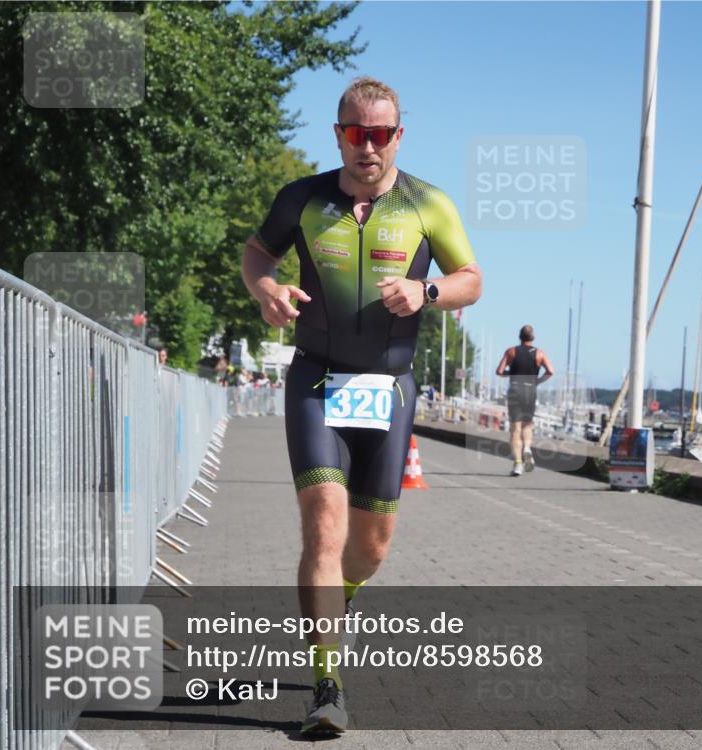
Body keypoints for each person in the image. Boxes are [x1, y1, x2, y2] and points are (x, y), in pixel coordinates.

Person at [241, 76, 481, 733]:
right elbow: (258, 251)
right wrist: (266, 290)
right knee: (325, 524)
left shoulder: (429, 204)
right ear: (339, 134)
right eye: (355, 133)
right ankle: (327, 686)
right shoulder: (304, 198)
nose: (367, 146)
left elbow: (472, 280)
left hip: (390, 390)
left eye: (380, 134)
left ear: (398, 136)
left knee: (370, 548)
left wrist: (426, 293)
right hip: (317, 381)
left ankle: (341, 597)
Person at [496, 325, 553, 476]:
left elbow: (499, 371)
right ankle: (527, 448)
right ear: (532, 337)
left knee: (515, 429)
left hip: (515, 389)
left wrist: (513, 373)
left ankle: (518, 464)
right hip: (530, 390)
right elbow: (550, 371)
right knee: (527, 425)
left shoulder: (511, 351)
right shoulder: (539, 353)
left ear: (519, 337)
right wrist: (538, 381)